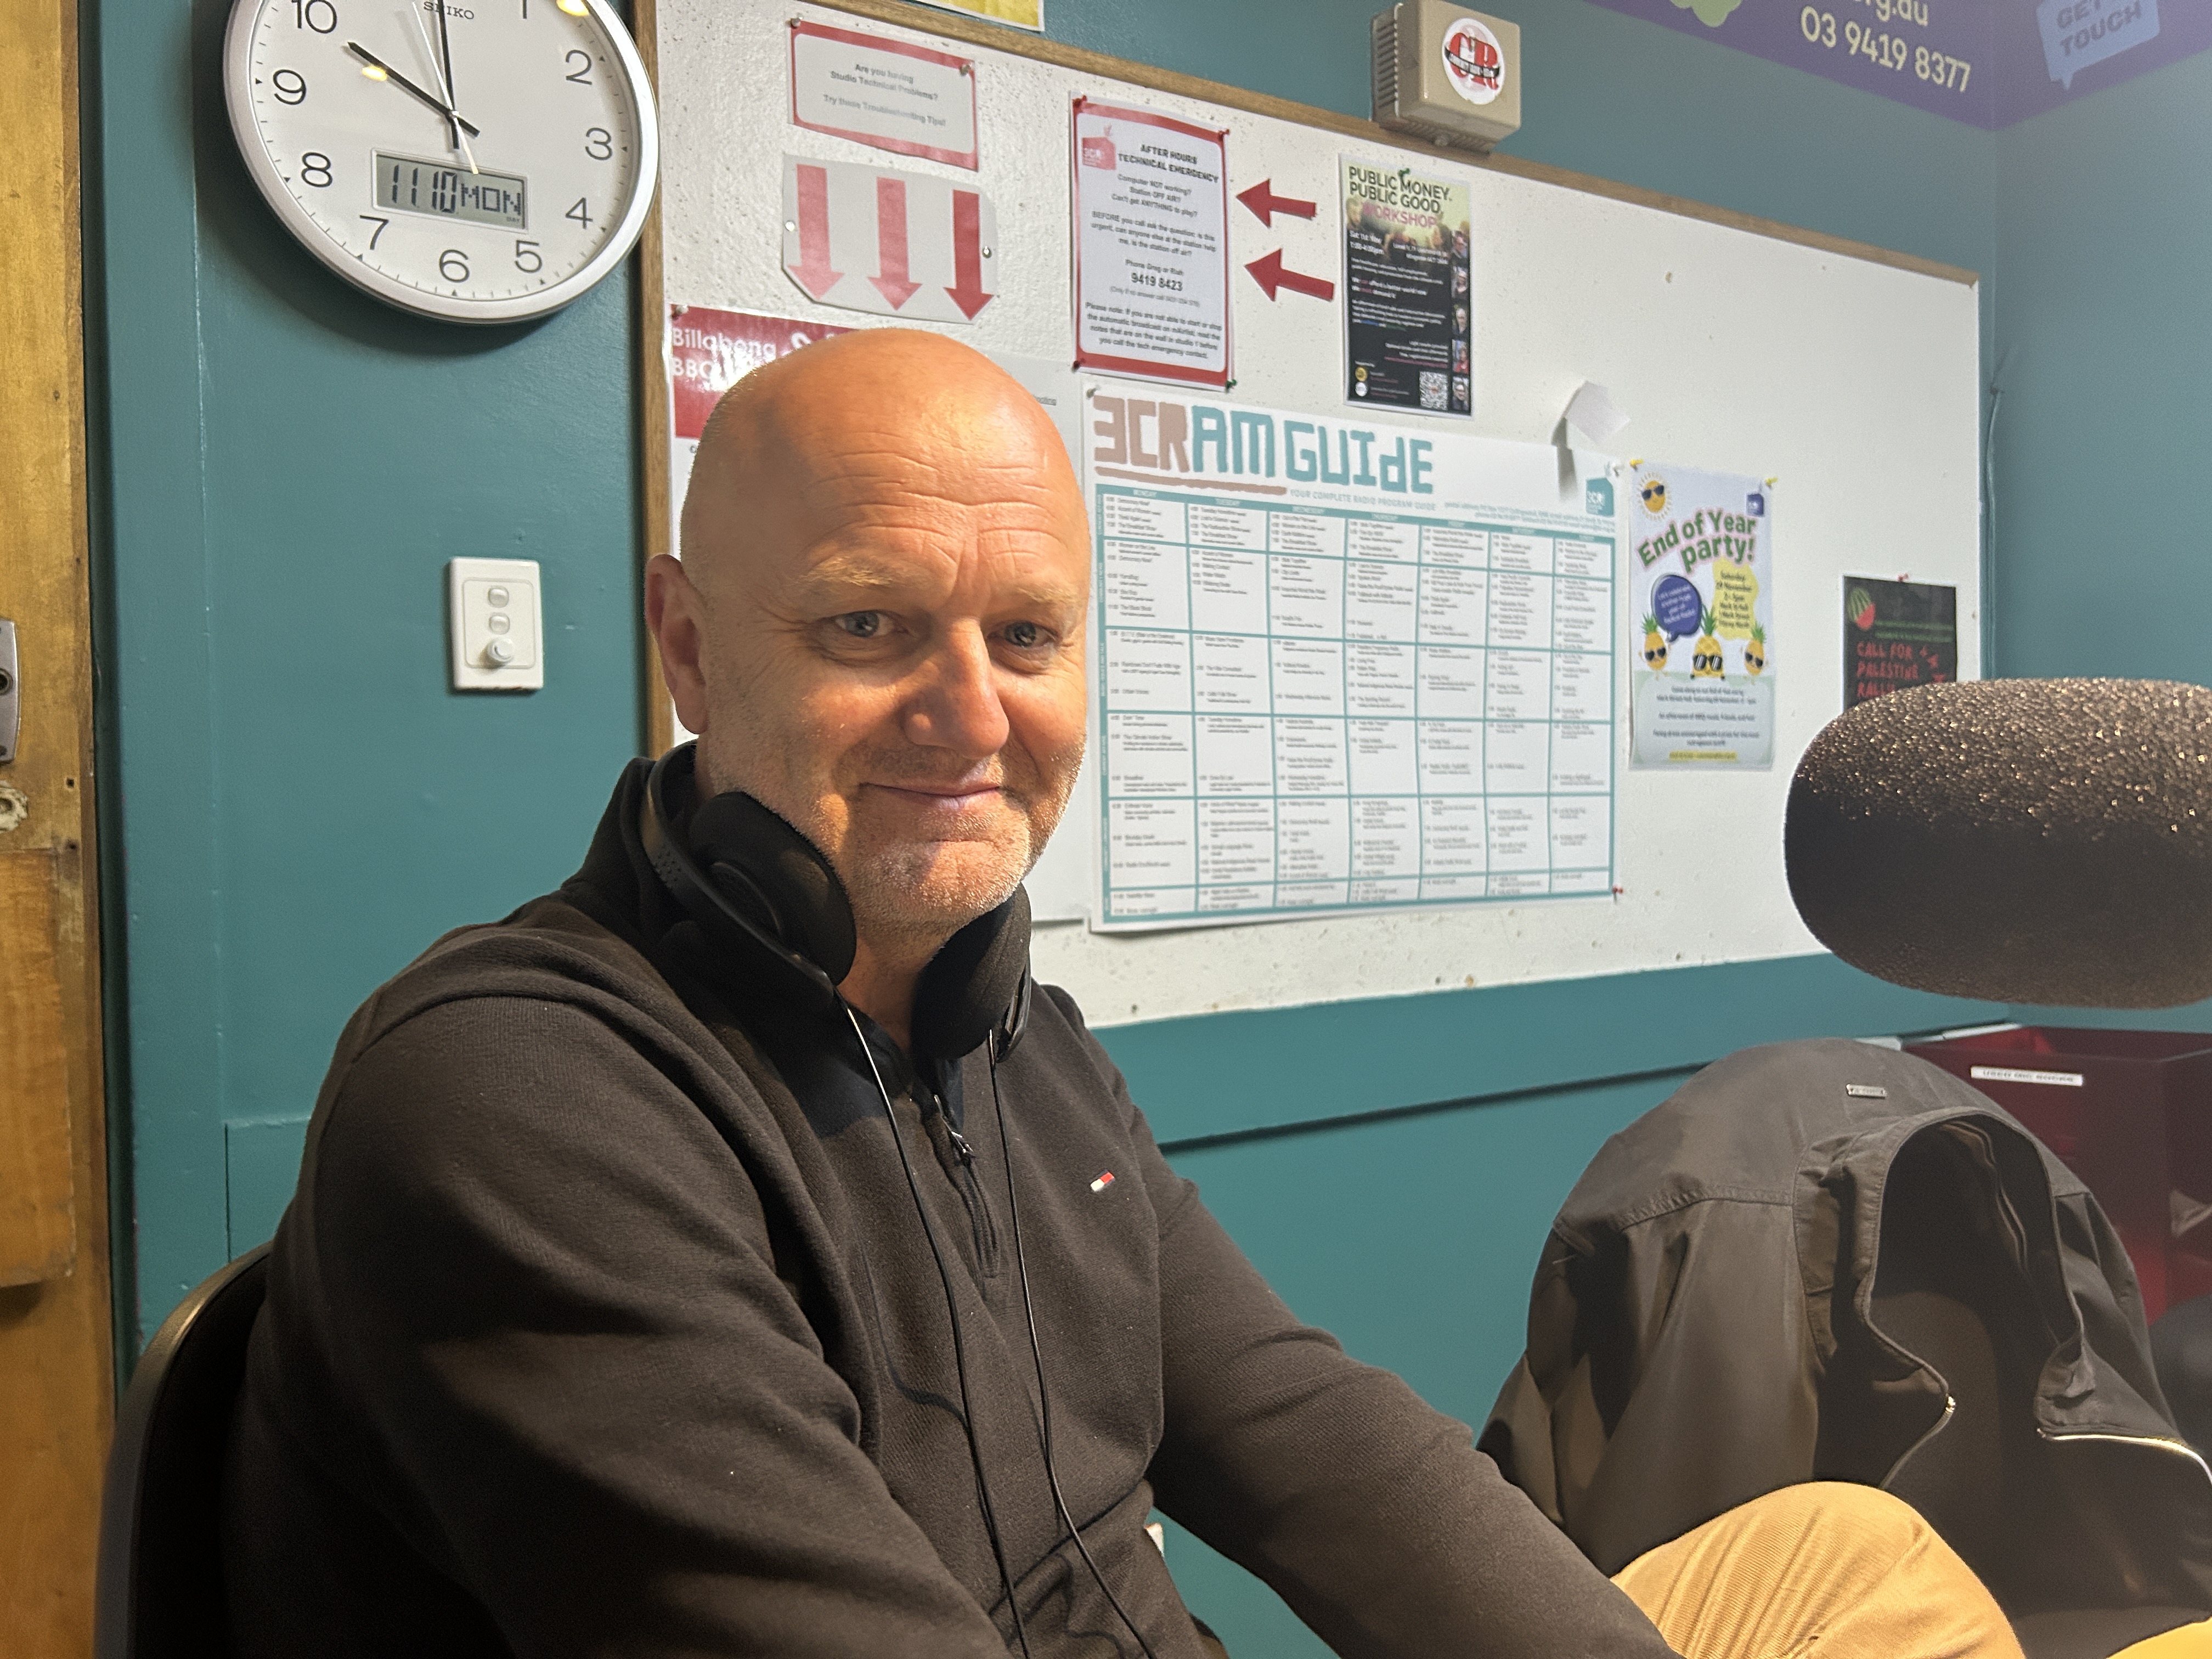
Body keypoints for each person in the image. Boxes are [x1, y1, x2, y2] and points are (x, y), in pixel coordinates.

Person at [221, 328, 2026, 1658]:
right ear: (689, 647)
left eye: (1026, 634)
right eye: (868, 626)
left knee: (1850, 1555)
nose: (972, 710)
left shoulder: (1009, 1038)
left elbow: (1318, 1449)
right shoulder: (516, 1102)